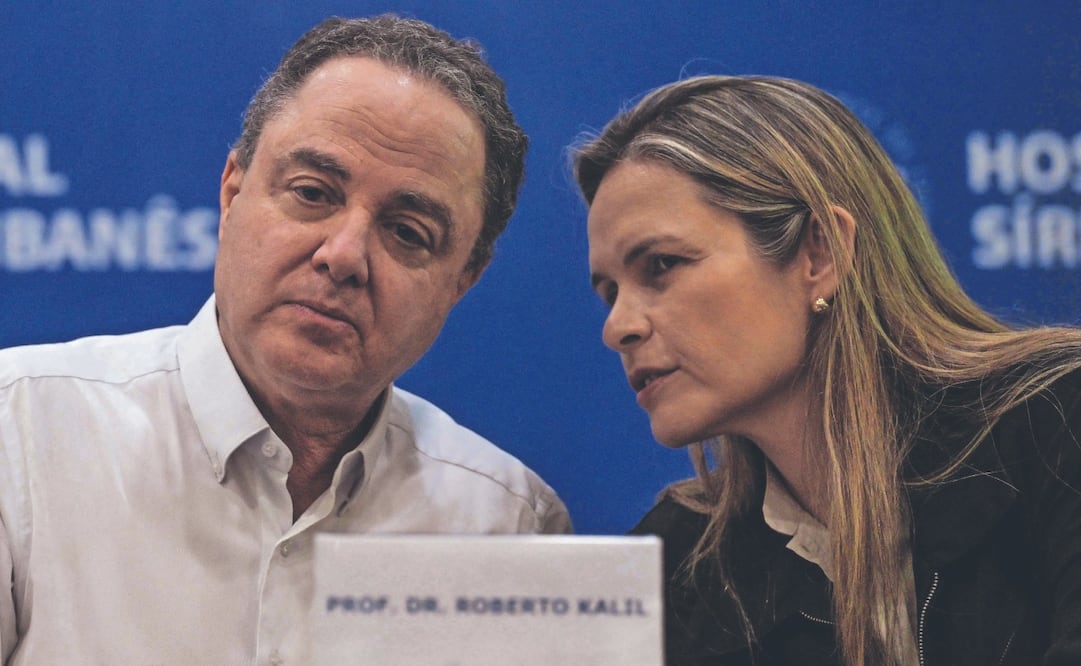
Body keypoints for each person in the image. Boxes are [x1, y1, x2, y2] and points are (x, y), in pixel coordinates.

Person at [0, 14, 570, 664]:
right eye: (312, 193)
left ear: (461, 282)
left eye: (407, 233)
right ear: (232, 191)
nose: (344, 254)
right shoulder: (18, 435)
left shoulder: (507, 524)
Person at [574, 75, 1081, 665]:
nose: (618, 327)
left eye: (661, 265)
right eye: (609, 293)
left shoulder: (1059, 425)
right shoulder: (675, 569)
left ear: (821, 254)